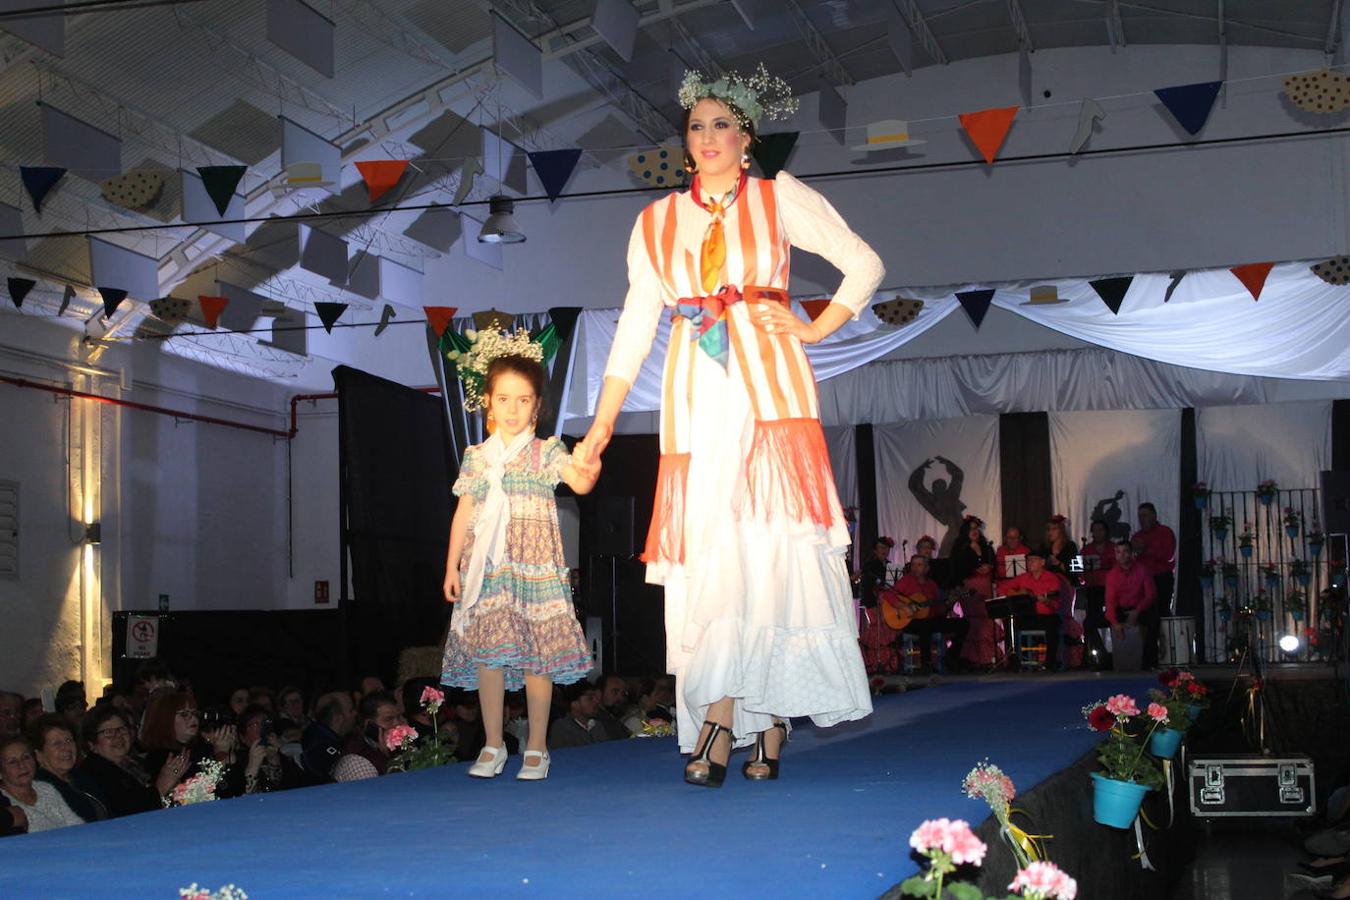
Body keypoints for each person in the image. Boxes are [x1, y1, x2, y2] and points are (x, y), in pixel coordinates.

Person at [581, 65, 881, 787]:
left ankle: (757, 716)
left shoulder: (777, 196)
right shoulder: (655, 222)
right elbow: (633, 330)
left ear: (747, 138)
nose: (709, 136)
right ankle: (729, 711)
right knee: (715, 560)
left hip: (770, 395)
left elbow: (864, 263)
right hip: (696, 404)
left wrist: (816, 328)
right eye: (696, 125)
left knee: (769, 555)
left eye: (723, 124)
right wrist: (597, 430)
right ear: (684, 143)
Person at [441, 346, 599, 782]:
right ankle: (493, 744)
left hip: (534, 566)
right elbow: (464, 512)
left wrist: (590, 461)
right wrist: (451, 567)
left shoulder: (546, 451)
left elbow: (580, 481)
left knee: (537, 658)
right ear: (488, 401)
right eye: (504, 398)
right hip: (487, 568)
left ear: (537, 405)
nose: (513, 409)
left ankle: (537, 746)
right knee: (489, 657)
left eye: (523, 399)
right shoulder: (477, 455)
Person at [140, 689, 239, 802]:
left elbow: (235, 790)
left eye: (194, 713)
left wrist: (227, 754)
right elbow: (191, 797)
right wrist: (221, 755)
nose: (193, 718)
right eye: (184, 714)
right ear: (166, 719)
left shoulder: (203, 748)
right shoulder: (160, 757)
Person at [888, 555, 969, 672]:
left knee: (964, 624)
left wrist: (948, 604)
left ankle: (951, 656)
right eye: (913, 565)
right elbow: (887, 595)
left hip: (929, 621)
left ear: (926, 568)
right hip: (910, 621)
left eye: (919, 565)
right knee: (925, 625)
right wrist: (903, 606)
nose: (915, 568)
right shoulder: (906, 581)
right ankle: (926, 664)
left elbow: (936, 610)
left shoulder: (932, 585)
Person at [76, 707, 160, 817]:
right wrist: (160, 788)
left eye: (122, 729)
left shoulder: (134, 764)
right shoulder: (94, 773)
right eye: (108, 732)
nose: (118, 736)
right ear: (92, 744)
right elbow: (127, 812)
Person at [29, 715, 107, 822]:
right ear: (38, 754)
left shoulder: (81, 777)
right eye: (57, 743)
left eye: (69, 740)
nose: (66, 748)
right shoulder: (40, 789)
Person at [0, 736, 84, 833]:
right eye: (12, 762)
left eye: (26, 757)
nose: (22, 765)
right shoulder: (3, 801)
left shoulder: (45, 788)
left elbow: (76, 823)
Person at [1003, 551, 1064, 669]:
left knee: (1053, 623)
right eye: (1028, 560)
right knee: (1010, 622)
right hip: (1028, 616)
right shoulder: (1023, 578)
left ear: (1042, 562)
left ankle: (1050, 662)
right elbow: (1003, 588)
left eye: (1034, 560)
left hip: (1046, 616)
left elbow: (1055, 605)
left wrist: (1046, 600)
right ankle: (1014, 660)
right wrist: (1017, 593)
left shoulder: (1052, 578)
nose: (1030, 562)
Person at [1105, 540, 1159, 668]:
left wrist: (1137, 611)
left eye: (1125, 552)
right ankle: (1104, 660)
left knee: (1154, 621)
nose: (1121, 555)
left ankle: (1148, 662)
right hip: (1121, 609)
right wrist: (1115, 623)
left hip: (1140, 607)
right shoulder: (1112, 575)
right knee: (1090, 622)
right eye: (1118, 552)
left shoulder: (1142, 570)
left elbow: (1150, 595)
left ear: (1131, 553)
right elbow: (1110, 602)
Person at [909, 457, 967, 556]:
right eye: (937, 487)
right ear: (933, 490)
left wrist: (947, 463)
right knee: (944, 556)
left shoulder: (951, 494)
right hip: (954, 530)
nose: (940, 489)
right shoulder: (932, 499)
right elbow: (914, 487)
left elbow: (958, 476)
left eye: (942, 486)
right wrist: (920, 470)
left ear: (945, 488)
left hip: (960, 529)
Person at [1132, 502, 1176, 617]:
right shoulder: (1137, 537)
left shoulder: (1165, 532)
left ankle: (1165, 634)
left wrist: (1146, 549)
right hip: (1143, 579)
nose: (1142, 519)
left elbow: (1169, 556)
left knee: (1162, 611)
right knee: (1145, 612)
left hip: (1162, 577)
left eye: (1145, 515)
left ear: (1154, 516)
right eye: (1140, 516)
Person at [547, 681, 609, 749]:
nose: (596, 701)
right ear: (574, 704)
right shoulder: (561, 727)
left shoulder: (598, 726)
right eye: (590, 698)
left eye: (596, 697)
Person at [1040, 515, 1078, 579]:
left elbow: (1074, 570)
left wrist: (1058, 563)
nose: (1050, 532)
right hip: (1049, 580)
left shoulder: (1070, 546)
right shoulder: (1044, 547)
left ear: (1061, 530)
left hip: (1066, 580)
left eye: (1054, 529)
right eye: (1049, 529)